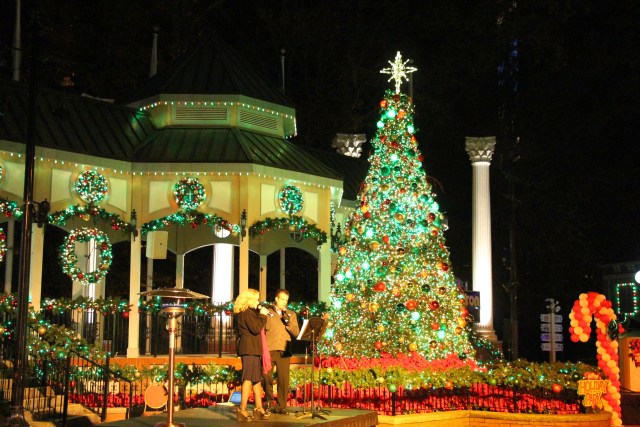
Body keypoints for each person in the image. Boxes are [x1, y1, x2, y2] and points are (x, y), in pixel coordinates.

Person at [233, 288, 271, 421]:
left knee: (256, 379)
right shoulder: (247, 313)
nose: (258, 301)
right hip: (248, 349)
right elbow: (255, 328)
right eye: (256, 299)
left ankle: (258, 407)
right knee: (248, 378)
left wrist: (260, 315)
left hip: (254, 349)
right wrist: (263, 315)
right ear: (249, 300)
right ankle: (242, 409)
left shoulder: (250, 313)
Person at [263, 289, 300, 414]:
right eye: (282, 299)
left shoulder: (291, 314)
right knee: (266, 376)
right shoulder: (267, 312)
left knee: (283, 379)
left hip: (285, 349)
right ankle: (268, 400)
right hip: (269, 349)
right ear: (276, 299)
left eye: (286, 300)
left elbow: (296, 333)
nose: (284, 302)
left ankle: (281, 406)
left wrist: (288, 323)